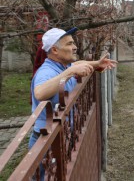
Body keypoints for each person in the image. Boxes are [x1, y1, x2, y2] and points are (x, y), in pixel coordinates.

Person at [29, 27, 117, 178]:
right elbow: (39, 92)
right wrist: (70, 73)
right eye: (69, 44)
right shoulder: (47, 72)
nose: (75, 47)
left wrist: (96, 64)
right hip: (46, 142)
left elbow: (76, 65)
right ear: (55, 50)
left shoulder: (62, 65)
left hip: (60, 136)